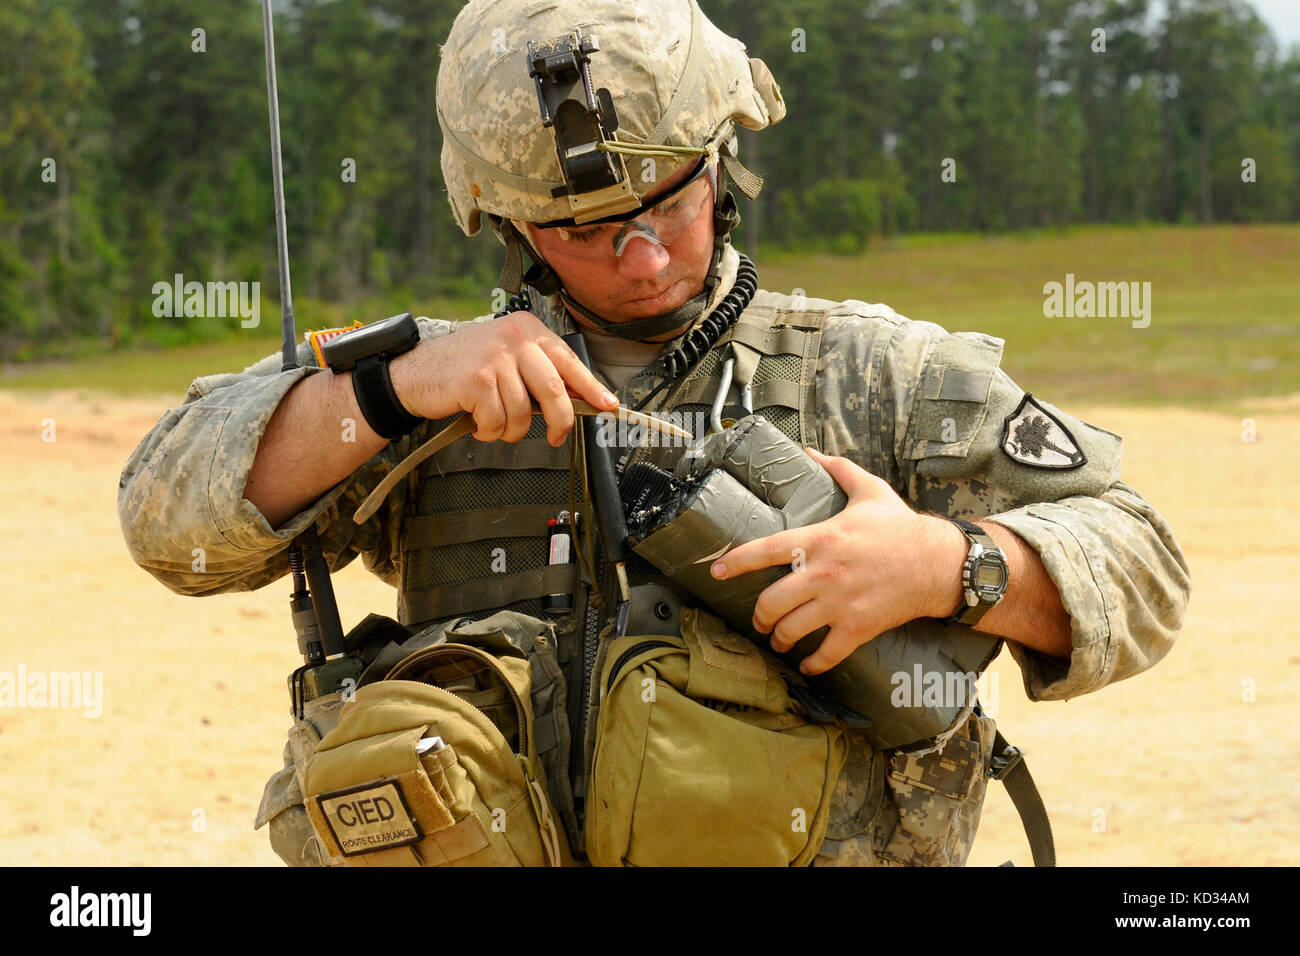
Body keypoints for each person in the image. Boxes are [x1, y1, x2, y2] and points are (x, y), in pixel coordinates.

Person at [118, 0, 1190, 867]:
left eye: (668, 204)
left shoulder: (881, 371)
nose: (639, 258)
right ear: (503, 220)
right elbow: (169, 520)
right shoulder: (433, 384)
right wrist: (390, 389)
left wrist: (948, 563)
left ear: (721, 161)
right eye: (584, 230)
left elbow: (1142, 560)